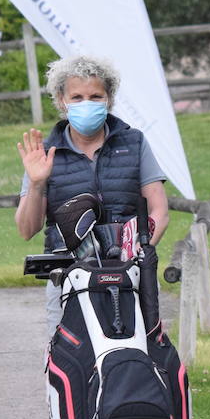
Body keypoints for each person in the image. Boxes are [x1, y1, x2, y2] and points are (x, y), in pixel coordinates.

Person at [16, 54, 169, 340]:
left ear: (109, 99)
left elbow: (158, 210)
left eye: (95, 96)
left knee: (141, 358)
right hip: (68, 278)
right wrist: (37, 184)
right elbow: (26, 229)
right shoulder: (44, 154)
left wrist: (137, 252)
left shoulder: (134, 142)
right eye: (77, 97)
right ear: (61, 100)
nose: (86, 103)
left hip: (131, 275)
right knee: (68, 362)